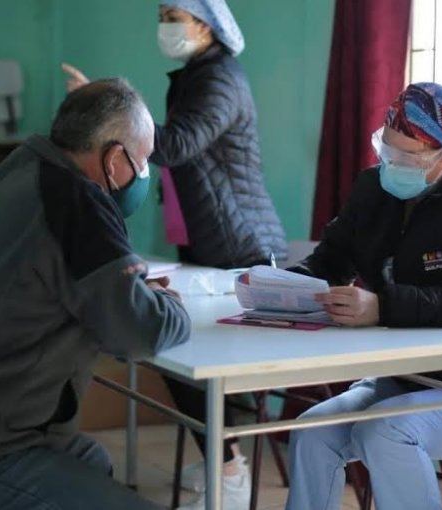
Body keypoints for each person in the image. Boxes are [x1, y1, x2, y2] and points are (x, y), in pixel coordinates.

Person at [0, 78, 191, 510]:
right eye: (143, 161)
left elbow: (73, 282)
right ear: (114, 159)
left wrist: (129, 291)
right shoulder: (77, 202)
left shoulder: (24, 166)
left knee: (91, 459)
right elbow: (136, 333)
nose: (144, 176)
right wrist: (169, 305)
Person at [63, 3, 285, 508]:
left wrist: (105, 119)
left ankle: (228, 468)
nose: (163, 24)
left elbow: (176, 143)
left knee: (196, 355)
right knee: (178, 353)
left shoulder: (219, 78)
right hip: (208, 236)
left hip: (238, 243)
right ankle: (222, 455)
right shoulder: (194, 75)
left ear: (204, 24)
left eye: (172, 14)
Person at [283, 83, 442, 510]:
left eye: (408, 157)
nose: (392, 165)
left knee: (386, 432)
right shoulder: (373, 189)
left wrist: (384, 307)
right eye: (387, 150)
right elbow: (328, 262)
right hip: (408, 378)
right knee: (313, 431)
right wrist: (280, 291)